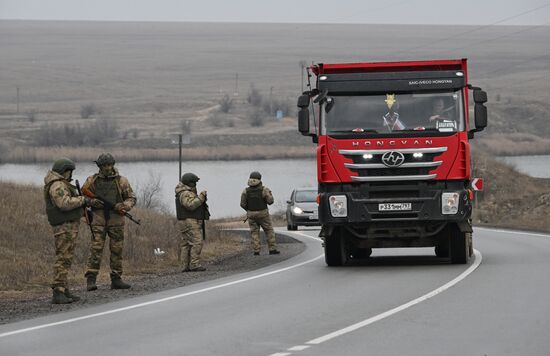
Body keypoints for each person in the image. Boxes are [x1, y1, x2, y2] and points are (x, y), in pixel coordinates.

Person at [44, 158, 96, 304]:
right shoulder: (57, 185)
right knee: (63, 259)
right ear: (64, 171)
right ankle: (58, 291)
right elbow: (64, 203)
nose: (70, 174)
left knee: (66, 258)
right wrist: (82, 200)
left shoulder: (60, 183)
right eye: (69, 171)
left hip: (68, 226)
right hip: (64, 227)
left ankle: (64, 289)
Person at [82, 153, 136, 291]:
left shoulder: (121, 181)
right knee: (96, 250)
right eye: (104, 165)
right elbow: (82, 197)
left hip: (116, 221)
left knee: (117, 251)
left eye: (109, 165)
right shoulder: (91, 181)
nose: (107, 168)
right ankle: (91, 279)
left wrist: (123, 206)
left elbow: (131, 198)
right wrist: (92, 201)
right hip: (98, 220)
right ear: (99, 166)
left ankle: (116, 279)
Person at [175, 172, 210, 272]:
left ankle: (184, 266)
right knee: (197, 242)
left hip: (186, 220)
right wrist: (201, 198)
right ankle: (194, 264)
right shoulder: (185, 193)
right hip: (189, 220)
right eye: (194, 182)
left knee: (186, 244)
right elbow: (190, 205)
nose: (195, 184)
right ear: (190, 183)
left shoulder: (183, 192)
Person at [240, 171, 280, 256]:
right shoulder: (264, 189)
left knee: (254, 232)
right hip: (263, 214)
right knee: (269, 230)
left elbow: (242, 204)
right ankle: (272, 249)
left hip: (251, 214)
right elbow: (270, 201)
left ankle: (256, 251)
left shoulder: (245, 191)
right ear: (259, 179)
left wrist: (249, 210)